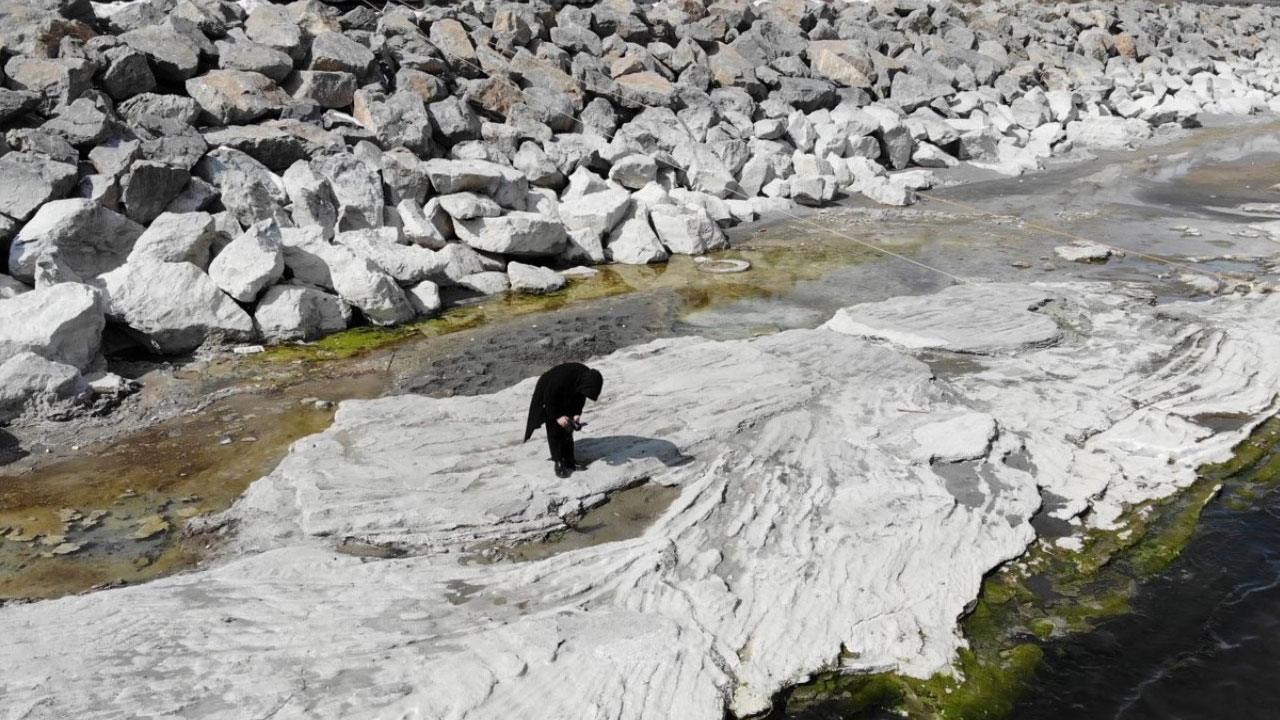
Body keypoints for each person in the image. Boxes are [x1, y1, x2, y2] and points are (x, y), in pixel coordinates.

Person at [524, 362, 604, 478]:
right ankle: (558, 461)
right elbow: (549, 397)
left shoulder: (585, 378)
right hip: (548, 394)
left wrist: (576, 414)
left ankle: (570, 460)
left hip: (566, 394)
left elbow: (580, 396)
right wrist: (558, 417)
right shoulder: (561, 379)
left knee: (568, 428)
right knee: (554, 429)